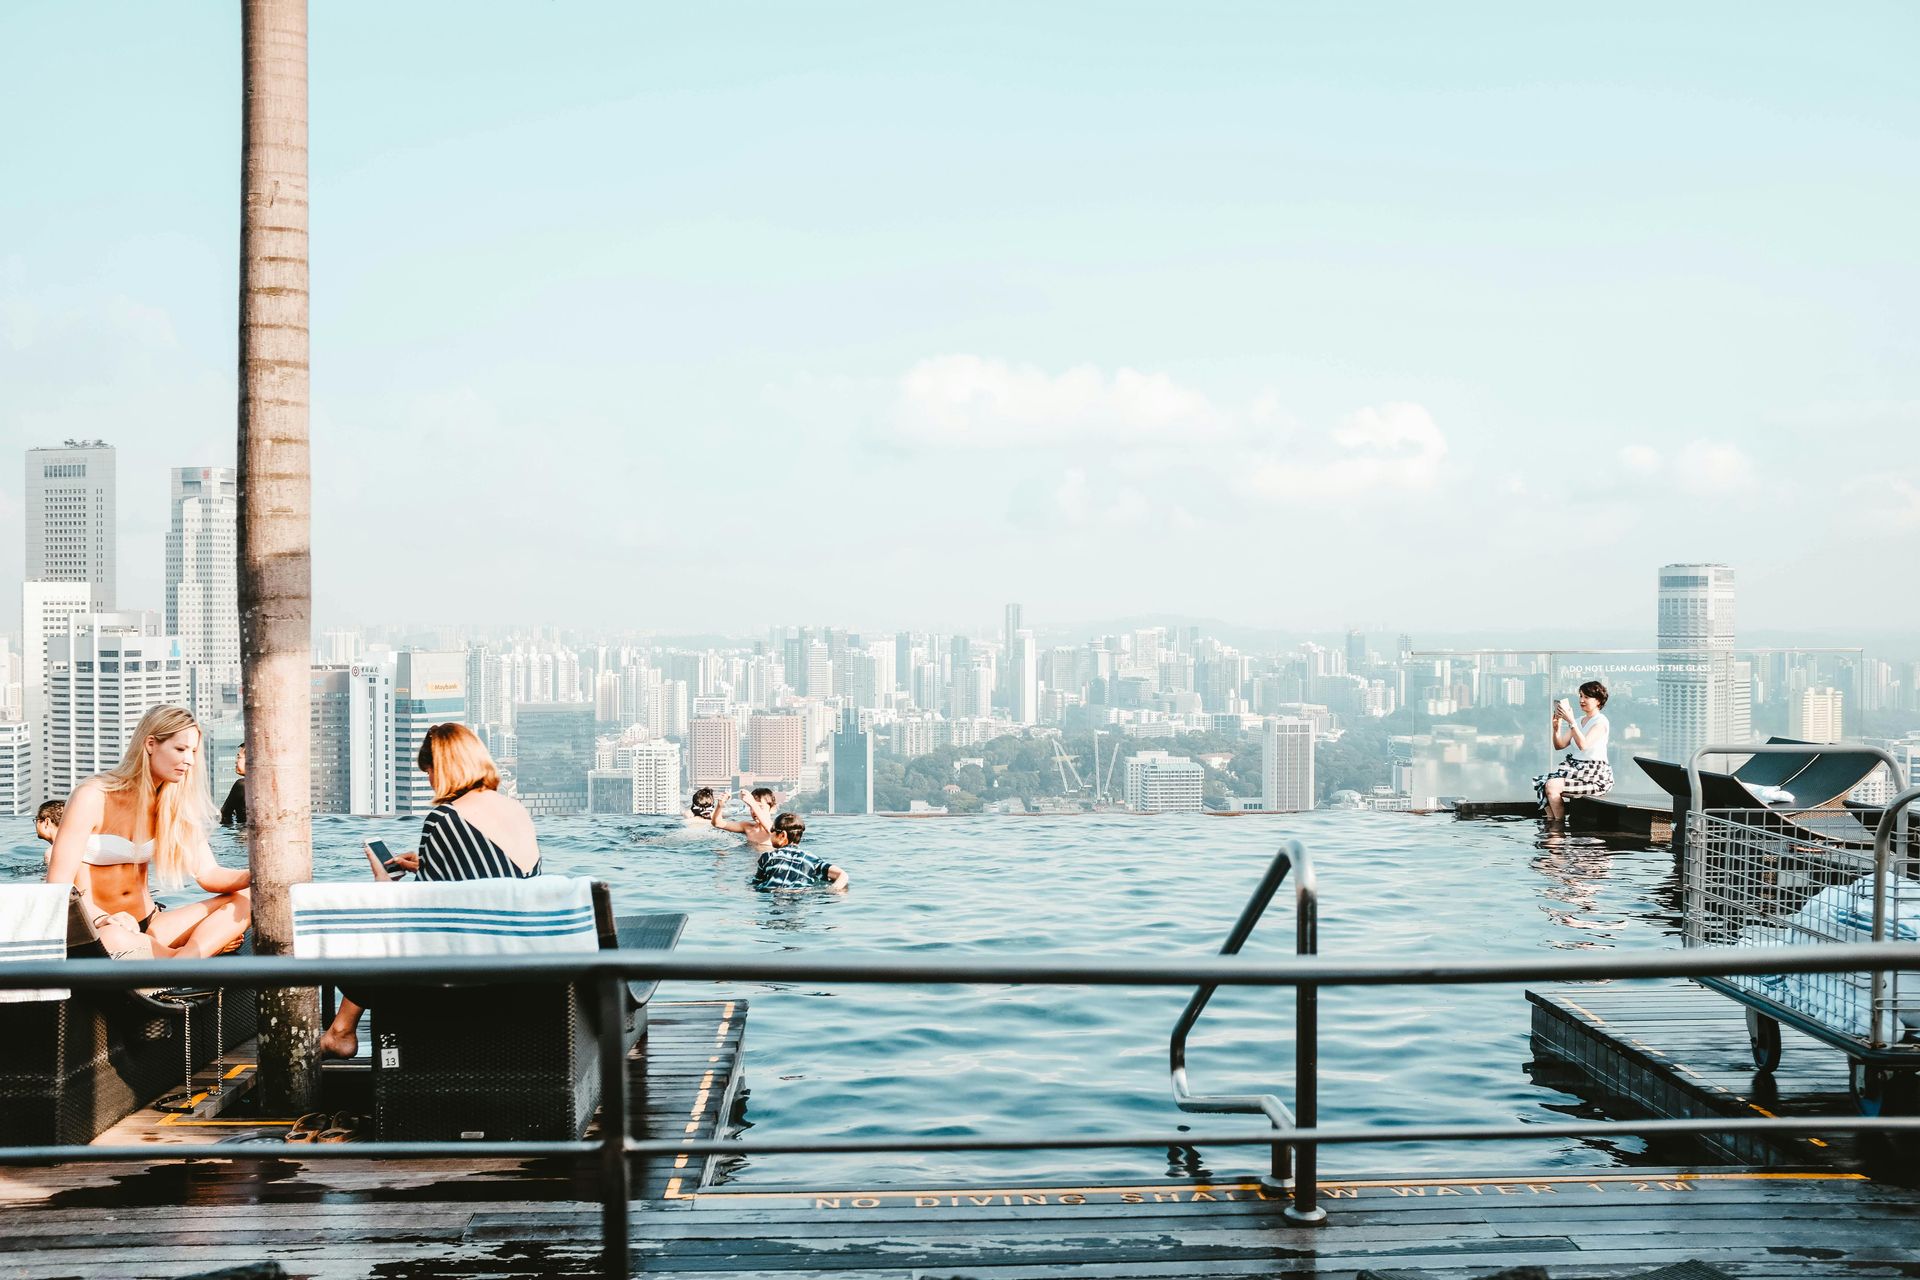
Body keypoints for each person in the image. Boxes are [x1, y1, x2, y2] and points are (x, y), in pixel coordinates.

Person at [320, 722, 540, 1058]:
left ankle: (341, 1031)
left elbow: (419, 915)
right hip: (521, 960)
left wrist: (384, 885)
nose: (429, 781)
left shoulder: (445, 818)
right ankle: (341, 1029)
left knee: (369, 930)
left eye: (429, 771)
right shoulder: (517, 810)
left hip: (465, 971)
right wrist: (426, 864)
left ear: (445, 768)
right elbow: (496, 877)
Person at [44, 704, 252, 960]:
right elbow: (59, 884)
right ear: (151, 744)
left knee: (249, 897)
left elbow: (209, 874)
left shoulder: (174, 804)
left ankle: (183, 960)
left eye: (193, 751)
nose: (189, 760)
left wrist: (256, 875)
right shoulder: (92, 796)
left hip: (150, 923)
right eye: (180, 749)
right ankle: (192, 957)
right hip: (99, 929)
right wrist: (102, 918)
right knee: (115, 939)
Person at [1534, 680, 1614, 821]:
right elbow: (1559, 745)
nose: (1581, 700)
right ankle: (1552, 822)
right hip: (1577, 769)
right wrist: (1556, 728)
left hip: (1594, 775)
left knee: (1552, 785)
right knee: (1542, 782)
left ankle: (1559, 826)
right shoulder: (1578, 721)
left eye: (1586, 697)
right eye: (1580, 696)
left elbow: (1584, 745)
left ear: (1598, 700)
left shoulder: (1600, 722)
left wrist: (1571, 721)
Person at [749, 812, 849, 892]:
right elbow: (843, 875)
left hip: (773, 893)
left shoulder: (767, 857)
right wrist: (830, 890)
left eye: (772, 831)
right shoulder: (811, 859)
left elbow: (755, 884)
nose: (770, 834)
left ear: (782, 835)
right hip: (800, 894)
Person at [712, 786, 779, 851]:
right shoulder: (747, 827)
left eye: (760, 807)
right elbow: (718, 823)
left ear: (773, 809)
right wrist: (720, 805)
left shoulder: (777, 829)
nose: (754, 811)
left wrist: (752, 803)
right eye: (751, 807)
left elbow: (769, 829)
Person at [220, 744, 247, 827]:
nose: (236, 761)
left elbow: (225, 813)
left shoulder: (242, 785)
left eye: (239, 757)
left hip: (244, 834)